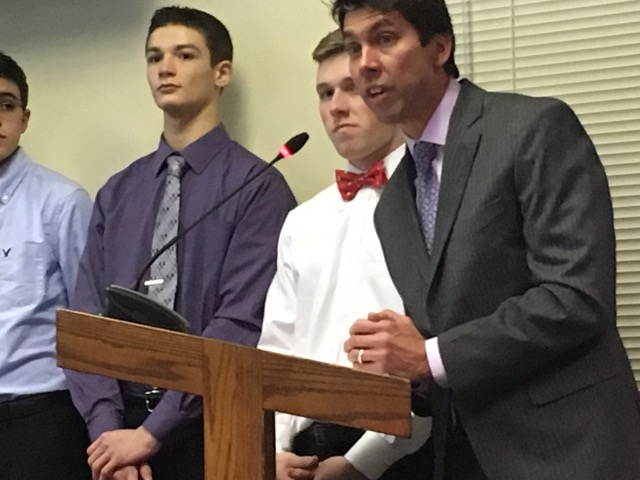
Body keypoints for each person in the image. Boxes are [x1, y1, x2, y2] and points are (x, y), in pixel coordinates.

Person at [330, 0, 640, 479]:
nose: (364, 62)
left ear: (439, 48)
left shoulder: (531, 129)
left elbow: (575, 297)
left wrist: (428, 355)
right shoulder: (391, 205)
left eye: (385, 38)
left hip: (571, 450)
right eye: (354, 47)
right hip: (463, 457)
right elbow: (442, 339)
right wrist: (400, 366)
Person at [65, 6, 296, 480]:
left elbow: (240, 323)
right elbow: (87, 319)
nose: (165, 68)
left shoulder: (258, 187)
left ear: (221, 72)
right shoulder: (118, 191)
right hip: (114, 431)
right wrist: (109, 434)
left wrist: (152, 434)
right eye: (154, 58)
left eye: (184, 55)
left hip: (211, 425)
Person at [258, 29, 432, 480]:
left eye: (350, 88)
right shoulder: (303, 220)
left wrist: (361, 463)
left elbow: (433, 348)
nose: (336, 106)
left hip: (400, 452)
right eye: (324, 92)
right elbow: (277, 348)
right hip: (299, 455)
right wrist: (271, 451)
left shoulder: (433, 203)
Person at [0, 51, 93, 480]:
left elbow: (90, 323)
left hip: (38, 417)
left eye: (6, 104)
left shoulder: (62, 202)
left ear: (24, 117)